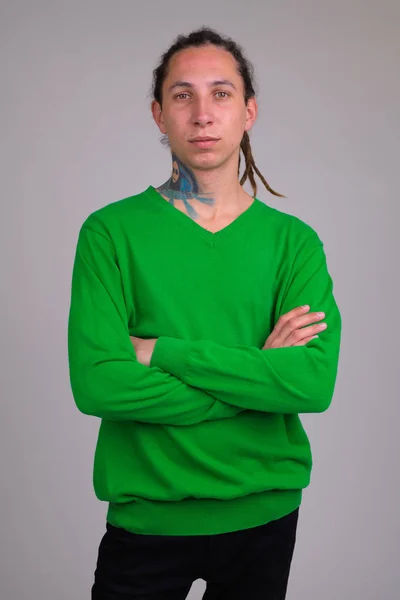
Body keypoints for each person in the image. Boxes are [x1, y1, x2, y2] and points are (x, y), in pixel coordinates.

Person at [67, 26, 342, 600]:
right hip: (149, 516)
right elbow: (98, 385)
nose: (202, 113)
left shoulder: (294, 243)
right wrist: (256, 377)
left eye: (221, 93)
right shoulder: (110, 233)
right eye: (182, 94)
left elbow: (311, 383)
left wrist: (163, 352)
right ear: (158, 114)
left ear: (249, 111)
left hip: (263, 513)